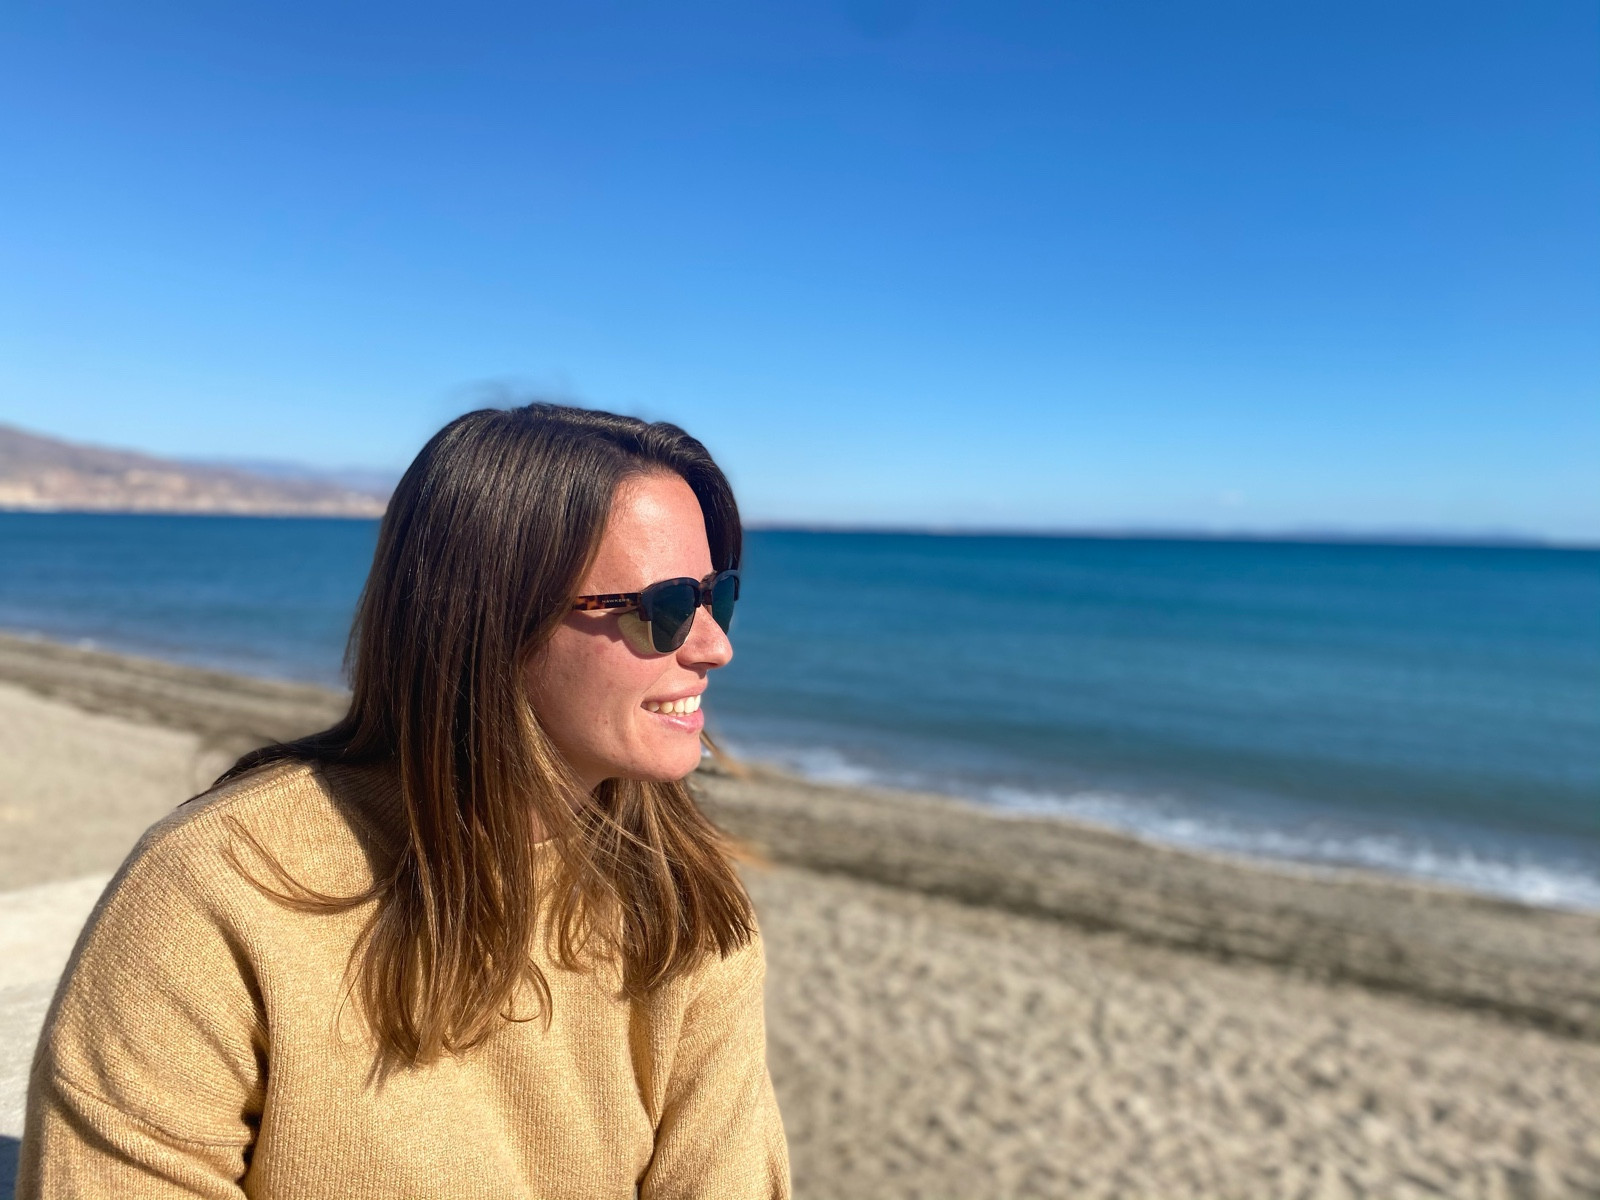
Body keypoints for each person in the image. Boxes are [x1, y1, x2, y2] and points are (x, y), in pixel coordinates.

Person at [18, 403, 790, 1199]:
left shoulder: (684, 905)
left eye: (719, 597)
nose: (716, 646)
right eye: (667, 608)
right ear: (492, 622)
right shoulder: (222, 890)